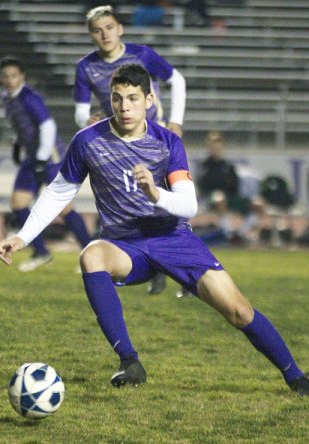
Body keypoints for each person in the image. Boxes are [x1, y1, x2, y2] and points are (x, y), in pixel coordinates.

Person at [0, 64, 309, 398]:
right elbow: (58, 192)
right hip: (125, 246)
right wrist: (22, 237)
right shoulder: (88, 141)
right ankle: (130, 362)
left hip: (173, 239)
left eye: (133, 98)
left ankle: (296, 376)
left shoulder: (167, 142)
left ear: (149, 100)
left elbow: (188, 205)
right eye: (117, 98)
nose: (124, 107)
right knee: (91, 255)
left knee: (239, 311)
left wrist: (155, 194)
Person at [74, 4, 187, 295]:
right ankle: (154, 267)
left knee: (173, 202)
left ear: (120, 28)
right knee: (131, 206)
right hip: (119, 143)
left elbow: (178, 81)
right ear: (91, 35)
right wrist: (86, 120)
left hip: (155, 140)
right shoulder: (86, 66)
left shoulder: (142, 54)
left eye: (109, 28)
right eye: (97, 31)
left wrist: (176, 121)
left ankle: (187, 267)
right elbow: (80, 111)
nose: (105, 35)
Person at [0, 57, 92, 272]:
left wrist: (41, 157)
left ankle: (90, 254)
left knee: (63, 206)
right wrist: (18, 143)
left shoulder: (29, 98)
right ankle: (41, 252)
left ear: (22, 76)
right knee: (19, 203)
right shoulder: (7, 96)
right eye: (5, 76)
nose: (9, 80)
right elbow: (24, 126)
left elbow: (48, 126)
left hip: (49, 156)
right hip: (33, 156)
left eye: (13, 76)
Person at [196, 131, 263, 244]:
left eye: (218, 144)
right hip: (212, 199)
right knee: (219, 198)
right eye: (213, 144)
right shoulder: (205, 166)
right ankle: (228, 233)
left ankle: (245, 232)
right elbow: (203, 186)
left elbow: (235, 186)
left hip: (230, 197)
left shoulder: (228, 166)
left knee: (257, 202)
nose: (216, 147)